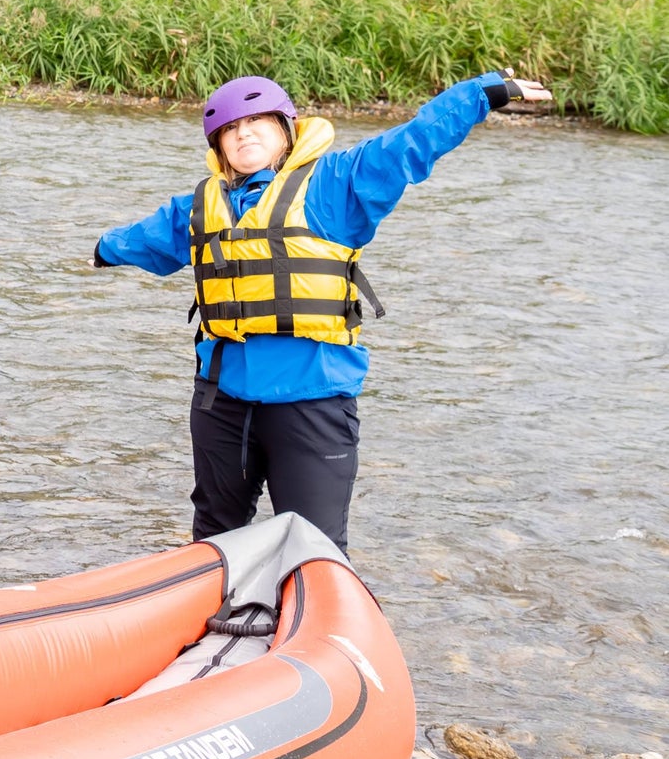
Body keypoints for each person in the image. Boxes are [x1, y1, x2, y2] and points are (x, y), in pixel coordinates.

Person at [91, 71, 552, 553]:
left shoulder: (335, 185)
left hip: (312, 398)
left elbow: (411, 143)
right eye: (230, 129)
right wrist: (103, 249)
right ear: (219, 145)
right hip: (222, 403)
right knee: (214, 533)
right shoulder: (199, 208)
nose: (243, 133)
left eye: (255, 121)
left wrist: (480, 94)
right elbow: (146, 238)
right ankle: (213, 616)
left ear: (286, 129)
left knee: (313, 547)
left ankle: (313, 622)